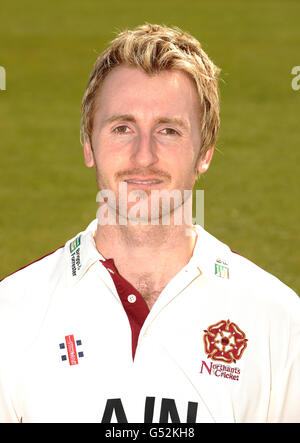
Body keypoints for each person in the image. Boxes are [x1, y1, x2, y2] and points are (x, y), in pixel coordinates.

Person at [0, 23, 299, 424]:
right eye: (122, 128)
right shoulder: (13, 314)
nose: (144, 156)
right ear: (89, 144)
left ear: (205, 152)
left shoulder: (278, 322)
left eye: (168, 130)